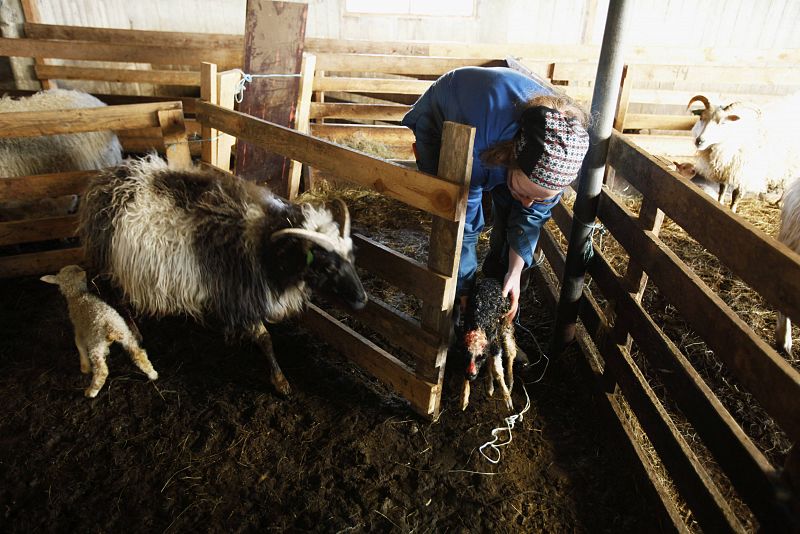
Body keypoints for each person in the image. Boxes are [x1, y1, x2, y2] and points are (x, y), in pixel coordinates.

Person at [401, 66, 591, 324]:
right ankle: (457, 309)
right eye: (527, 193)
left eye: (540, 196)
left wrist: (515, 271)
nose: (528, 202)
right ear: (511, 158)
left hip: (502, 139)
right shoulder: (481, 142)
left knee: (514, 208)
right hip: (454, 112)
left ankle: (496, 296)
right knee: (453, 207)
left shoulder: (558, 155)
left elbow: (532, 214)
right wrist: (464, 286)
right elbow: (464, 217)